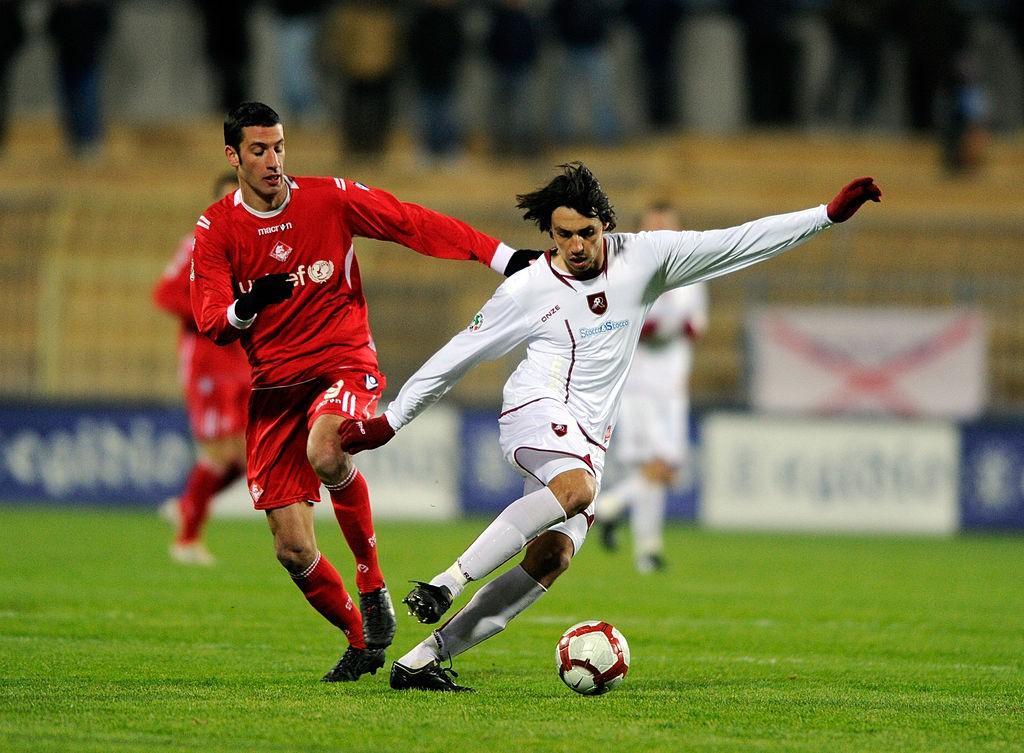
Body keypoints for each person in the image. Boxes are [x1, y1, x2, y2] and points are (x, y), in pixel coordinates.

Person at [339, 163, 882, 691]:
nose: (575, 246)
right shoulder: (528, 288)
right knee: (576, 489)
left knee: (553, 558)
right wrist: (391, 419)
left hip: (591, 437)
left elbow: (738, 241)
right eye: (562, 235)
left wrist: (827, 215)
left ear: (607, 224)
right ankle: (446, 582)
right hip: (536, 405)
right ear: (548, 234)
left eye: (587, 233)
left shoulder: (645, 258)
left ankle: (424, 659)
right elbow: (459, 354)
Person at [189, 102, 537, 683]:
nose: (273, 160)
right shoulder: (216, 228)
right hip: (275, 386)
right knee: (293, 550)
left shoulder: (328, 199)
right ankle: (362, 638)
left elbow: (408, 220)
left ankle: (371, 580)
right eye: (258, 150)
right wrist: (248, 305)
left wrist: (500, 256)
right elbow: (210, 319)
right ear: (233, 156)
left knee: (327, 451)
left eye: (279, 147)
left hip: (342, 363)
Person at [597, 202, 707, 573]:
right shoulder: (628, 271)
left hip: (672, 388)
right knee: (660, 466)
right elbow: (638, 327)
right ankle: (613, 510)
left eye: (667, 224)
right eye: (653, 224)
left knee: (659, 471)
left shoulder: (693, 273)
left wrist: (669, 324)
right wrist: (670, 323)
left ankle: (646, 549)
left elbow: (695, 326)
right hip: (638, 386)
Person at [153, 173, 249, 567]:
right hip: (207, 358)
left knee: (245, 459)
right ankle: (186, 540)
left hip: (241, 360)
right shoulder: (197, 245)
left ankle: (188, 503)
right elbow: (165, 293)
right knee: (217, 451)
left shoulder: (257, 247)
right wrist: (212, 315)